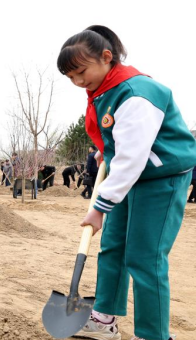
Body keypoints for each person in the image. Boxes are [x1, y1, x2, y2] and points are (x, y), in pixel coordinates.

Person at [58, 25, 196, 340]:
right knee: (113, 247)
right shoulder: (104, 89)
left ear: (107, 57)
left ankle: (152, 334)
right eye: (71, 78)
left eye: (81, 72)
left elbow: (133, 156)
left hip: (162, 176)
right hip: (131, 175)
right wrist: (104, 151)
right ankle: (104, 320)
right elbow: (122, 140)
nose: (78, 82)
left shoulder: (135, 92)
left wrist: (98, 208)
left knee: (144, 257)